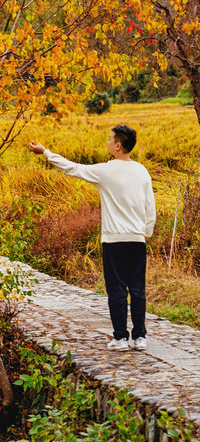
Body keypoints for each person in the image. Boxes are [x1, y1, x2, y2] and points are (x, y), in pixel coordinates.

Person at [29, 124, 156, 352]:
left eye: (110, 139)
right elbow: (150, 208)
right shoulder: (142, 171)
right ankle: (140, 337)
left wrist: (45, 152)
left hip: (114, 240)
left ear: (118, 145)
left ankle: (120, 338)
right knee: (138, 289)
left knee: (116, 290)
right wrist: (145, 232)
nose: (107, 142)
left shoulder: (106, 171)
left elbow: (72, 168)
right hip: (137, 240)